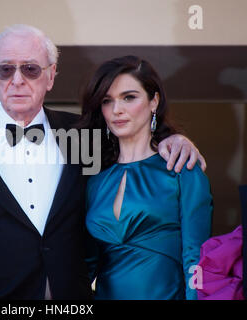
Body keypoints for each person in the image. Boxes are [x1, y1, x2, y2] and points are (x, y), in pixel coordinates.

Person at [0, 25, 205, 300]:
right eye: (5, 69)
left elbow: (134, 146)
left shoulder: (82, 137)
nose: (17, 80)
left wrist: (173, 139)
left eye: (30, 69)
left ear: (51, 75)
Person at [81, 55, 213, 300]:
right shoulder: (95, 182)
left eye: (129, 97)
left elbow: (196, 257)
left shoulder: (182, 169)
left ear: (154, 101)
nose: (116, 110)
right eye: (107, 101)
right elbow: (86, 267)